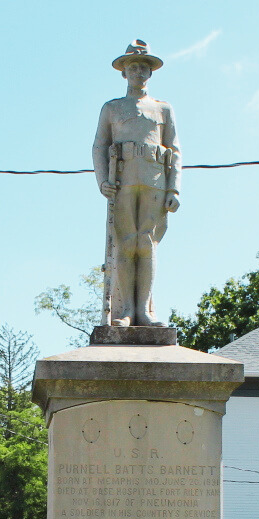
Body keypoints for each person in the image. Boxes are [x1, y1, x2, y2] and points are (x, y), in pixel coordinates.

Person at [91, 41, 181, 326]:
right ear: (124, 73)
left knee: (147, 243)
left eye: (144, 67)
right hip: (123, 181)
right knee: (126, 244)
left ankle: (145, 310)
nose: (138, 72)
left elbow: (175, 149)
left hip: (155, 180)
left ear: (150, 73)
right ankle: (127, 310)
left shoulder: (163, 109)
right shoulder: (112, 108)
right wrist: (102, 180)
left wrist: (173, 188)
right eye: (133, 67)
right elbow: (99, 145)